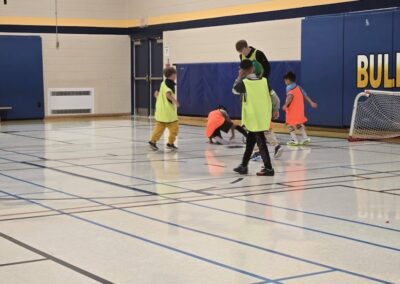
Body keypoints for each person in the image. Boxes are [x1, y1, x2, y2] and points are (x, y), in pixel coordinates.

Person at [236, 40, 283, 159]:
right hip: (250, 86)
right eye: (240, 52)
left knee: (255, 124)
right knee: (261, 125)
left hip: (258, 84)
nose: (243, 53)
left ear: (247, 47)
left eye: (243, 50)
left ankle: (258, 151)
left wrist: (260, 81)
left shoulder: (258, 54)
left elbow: (267, 68)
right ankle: (269, 148)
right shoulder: (241, 56)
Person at [232, 59, 274, 176]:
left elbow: (234, 90)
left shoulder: (245, 83)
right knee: (250, 142)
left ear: (243, 71)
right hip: (262, 115)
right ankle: (244, 166)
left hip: (253, 116)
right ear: (253, 68)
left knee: (261, 142)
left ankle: (269, 168)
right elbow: (274, 97)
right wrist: (275, 110)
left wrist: (239, 77)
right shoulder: (264, 81)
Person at [148, 67, 180, 151]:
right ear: (173, 75)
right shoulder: (170, 84)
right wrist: (176, 102)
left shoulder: (163, 83)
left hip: (160, 110)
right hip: (168, 112)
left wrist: (161, 102)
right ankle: (170, 143)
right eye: (175, 74)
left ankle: (152, 142)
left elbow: (155, 94)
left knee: (159, 128)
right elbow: (168, 94)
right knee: (174, 128)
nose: (176, 76)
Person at [282, 71, 318, 146]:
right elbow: (305, 95)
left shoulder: (289, 87)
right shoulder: (299, 87)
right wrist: (311, 102)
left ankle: (294, 140)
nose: (285, 82)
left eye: (285, 80)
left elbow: (290, 96)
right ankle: (305, 138)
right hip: (299, 109)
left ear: (288, 80)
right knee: (298, 124)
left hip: (292, 109)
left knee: (290, 124)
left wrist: (285, 105)